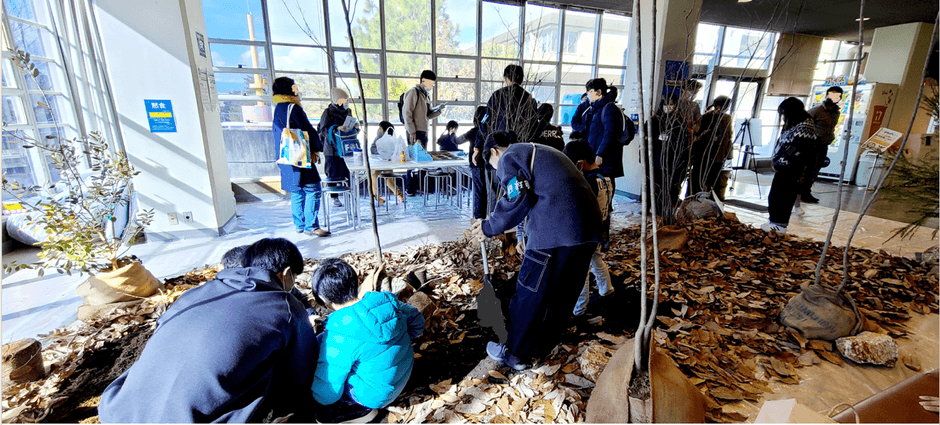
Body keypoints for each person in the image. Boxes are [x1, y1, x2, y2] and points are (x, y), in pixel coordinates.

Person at [99, 238, 317, 423]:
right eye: (294, 278)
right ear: (287, 274)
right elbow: (300, 374)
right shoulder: (285, 305)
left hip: (116, 410)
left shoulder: (194, 294)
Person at [468, 131, 601, 370]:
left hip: (554, 231)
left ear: (495, 152)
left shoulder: (510, 156)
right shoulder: (539, 151)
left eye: (492, 164)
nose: (497, 171)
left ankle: (515, 354)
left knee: (529, 292)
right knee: (563, 295)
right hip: (588, 231)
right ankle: (542, 348)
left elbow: (516, 196)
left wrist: (489, 226)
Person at [310, 258, 425, 423]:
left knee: (334, 370)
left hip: (372, 396)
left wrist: (315, 396)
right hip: (403, 374)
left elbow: (328, 392)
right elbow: (418, 322)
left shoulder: (339, 334)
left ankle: (358, 409)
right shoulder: (386, 301)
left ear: (323, 298)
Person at [270, 77, 330, 237]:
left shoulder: (278, 108)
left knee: (296, 192)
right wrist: (316, 149)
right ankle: (311, 226)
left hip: (287, 157)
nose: (297, 90)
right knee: (313, 189)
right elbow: (308, 130)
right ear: (288, 90)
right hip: (300, 157)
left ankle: (299, 225)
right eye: (294, 87)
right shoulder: (293, 108)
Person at [563, 141, 614, 317]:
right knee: (597, 260)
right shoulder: (605, 177)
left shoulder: (588, 182)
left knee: (580, 271)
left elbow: (581, 209)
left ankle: (579, 309)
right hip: (601, 229)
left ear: (581, 163)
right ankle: (607, 290)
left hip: (586, 233)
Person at [762, 97, 819, 234]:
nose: (783, 116)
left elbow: (799, 149)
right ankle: (774, 221)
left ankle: (780, 224)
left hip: (792, 168)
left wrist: (782, 162)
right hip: (782, 166)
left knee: (785, 195)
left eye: (784, 113)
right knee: (775, 195)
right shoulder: (792, 123)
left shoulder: (805, 125)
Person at [649, 92, 692, 217]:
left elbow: (683, 143)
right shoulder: (655, 120)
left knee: (672, 187)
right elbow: (648, 138)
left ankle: (668, 211)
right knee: (657, 187)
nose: (668, 107)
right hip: (657, 160)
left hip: (673, 160)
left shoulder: (679, 122)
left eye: (671, 104)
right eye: (666, 104)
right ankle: (657, 211)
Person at [477, 65, 539, 148]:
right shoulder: (529, 98)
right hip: (522, 145)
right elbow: (534, 124)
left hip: (500, 142)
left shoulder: (497, 95)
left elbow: (485, 119)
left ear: (506, 78)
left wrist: (479, 144)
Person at [803, 86, 844, 204]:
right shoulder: (815, 111)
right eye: (832, 94)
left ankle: (807, 191)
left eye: (837, 96)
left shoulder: (836, 113)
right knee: (809, 169)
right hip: (812, 145)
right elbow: (805, 125)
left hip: (824, 145)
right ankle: (802, 192)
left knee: (816, 170)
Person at [582, 78, 625, 190]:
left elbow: (609, 133)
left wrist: (600, 153)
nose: (588, 95)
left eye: (590, 92)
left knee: (606, 185)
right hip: (595, 153)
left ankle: (608, 207)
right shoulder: (596, 107)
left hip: (605, 156)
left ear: (599, 92)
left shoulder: (609, 107)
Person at [688, 95, 734, 198]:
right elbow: (698, 135)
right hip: (703, 153)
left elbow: (729, 136)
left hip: (719, 155)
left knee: (714, 181)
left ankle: (710, 201)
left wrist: (728, 153)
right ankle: (694, 200)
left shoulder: (727, 118)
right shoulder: (706, 117)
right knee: (699, 179)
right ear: (717, 106)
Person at [318, 88, 356, 208]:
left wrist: (354, 127)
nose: (346, 102)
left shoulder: (348, 111)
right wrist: (336, 129)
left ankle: (349, 194)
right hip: (332, 150)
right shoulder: (328, 113)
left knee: (347, 172)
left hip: (346, 147)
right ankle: (334, 197)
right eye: (344, 100)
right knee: (333, 173)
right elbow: (322, 130)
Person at [457, 106, 490, 219]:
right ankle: (488, 214)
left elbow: (458, 140)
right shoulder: (491, 131)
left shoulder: (474, 131)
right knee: (488, 190)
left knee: (479, 191)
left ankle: (478, 217)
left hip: (476, 164)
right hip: (490, 164)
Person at [402, 70, 444, 150]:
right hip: (415, 131)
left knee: (423, 158)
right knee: (415, 159)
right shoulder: (413, 92)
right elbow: (407, 113)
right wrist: (411, 131)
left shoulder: (426, 96)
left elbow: (428, 115)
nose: (431, 86)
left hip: (423, 131)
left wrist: (439, 110)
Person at [370, 121, 404, 204]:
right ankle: (376, 196)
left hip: (387, 163)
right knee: (374, 176)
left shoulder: (390, 139)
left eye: (380, 128)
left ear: (384, 131)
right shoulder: (378, 138)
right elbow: (372, 150)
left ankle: (399, 195)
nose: (378, 130)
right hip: (379, 163)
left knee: (389, 181)